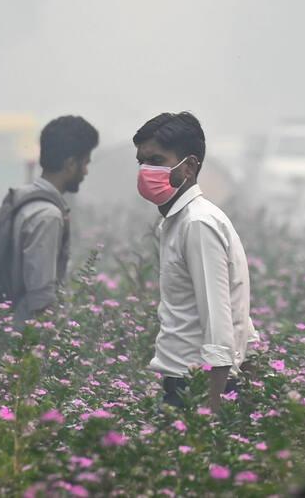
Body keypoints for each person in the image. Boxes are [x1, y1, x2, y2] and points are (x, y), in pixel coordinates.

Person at [134, 112, 256, 412]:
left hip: (197, 389)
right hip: (184, 383)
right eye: (142, 162)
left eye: (157, 161)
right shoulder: (178, 223)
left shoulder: (198, 225)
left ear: (188, 167)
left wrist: (210, 417)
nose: (147, 171)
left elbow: (218, 324)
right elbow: (239, 315)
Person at [10, 115, 98, 326]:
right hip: (23, 340)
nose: (86, 171)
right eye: (84, 163)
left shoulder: (22, 197)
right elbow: (41, 298)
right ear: (70, 164)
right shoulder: (48, 216)